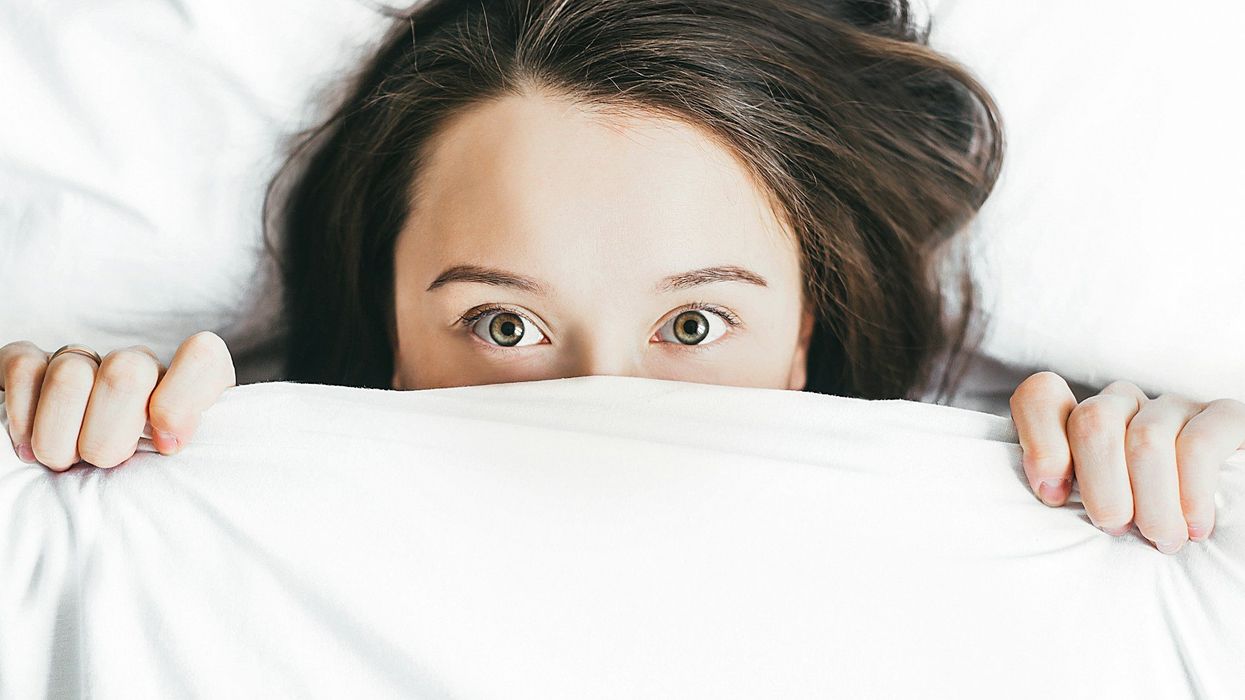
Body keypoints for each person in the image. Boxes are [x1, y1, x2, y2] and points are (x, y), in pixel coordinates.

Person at [1, 0, 1242, 556]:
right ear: (387, 337)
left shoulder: (1029, 519)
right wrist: (55, 448)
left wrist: (1198, 484)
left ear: (806, 332)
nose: (602, 404)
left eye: (694, 321)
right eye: (503, 321)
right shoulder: (191, 528)